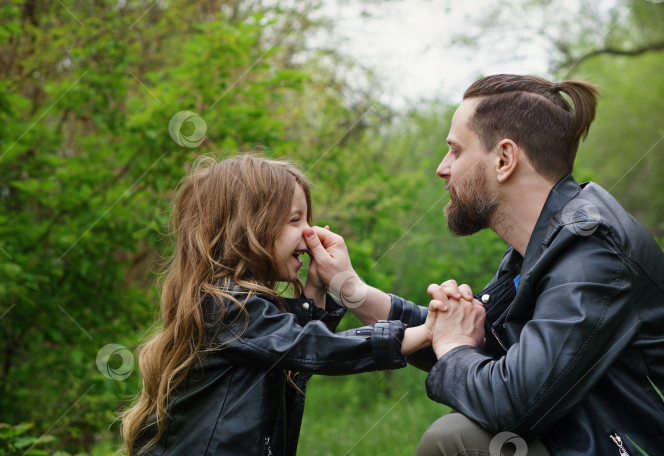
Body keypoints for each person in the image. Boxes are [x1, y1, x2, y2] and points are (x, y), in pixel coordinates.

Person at [305, 74, 664, 455]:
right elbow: (463, 337)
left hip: (655, 445)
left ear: (504, 159)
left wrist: (457, 346)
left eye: (456, 151)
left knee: (455, 441)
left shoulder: (590, 251)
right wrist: (351, 289)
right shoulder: (543, 243)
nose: (442, 168)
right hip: (597, 438)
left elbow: (513, 402)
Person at [119, 154, 443, 456]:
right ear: (248, 229)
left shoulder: (244, 305)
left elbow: (296, 358)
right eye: (294, 220)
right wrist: (427, 331)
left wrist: (316, 288)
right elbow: (315, 348)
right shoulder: (226, 305)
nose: (309, 232)